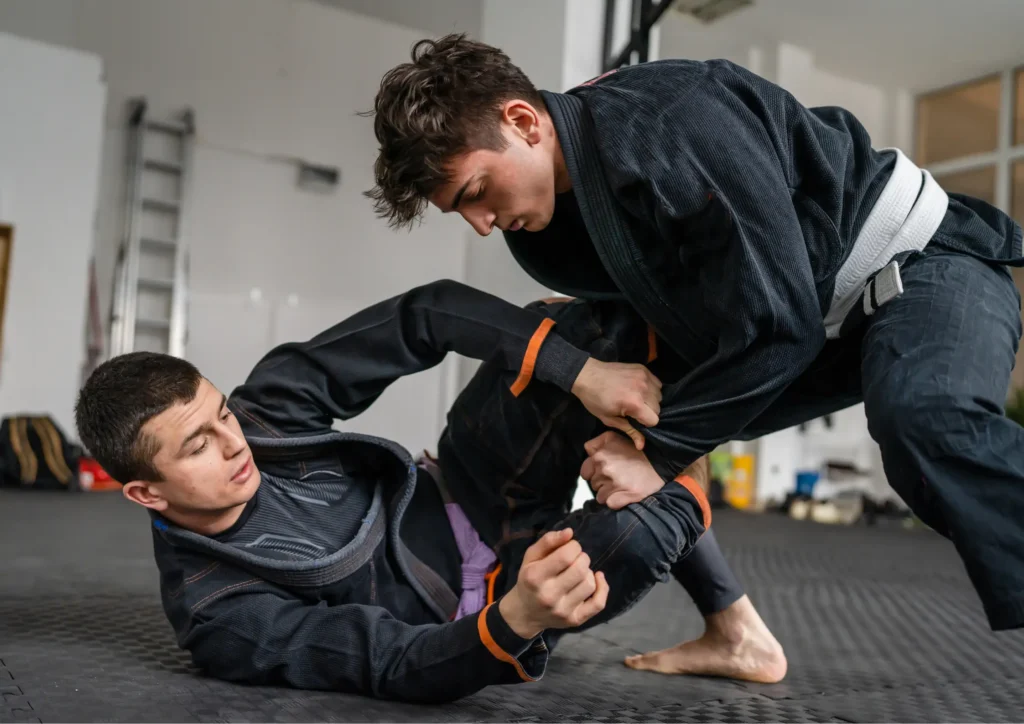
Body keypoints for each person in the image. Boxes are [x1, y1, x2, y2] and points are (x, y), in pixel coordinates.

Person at [366, 35, 1024, 636]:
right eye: (463, 211)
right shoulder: (548, 236)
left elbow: (777, 325)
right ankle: (736, 629)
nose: (481, 223)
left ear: (523, 121)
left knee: (927, 419)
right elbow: (691, 327)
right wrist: (595, 389)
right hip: (820, 319)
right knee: (593, 379)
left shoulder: (665, 122)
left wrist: (657, 452)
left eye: (479, 190)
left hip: (925, 261)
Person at [74, 280, 773, 704]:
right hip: (497, 599)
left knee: (577, 335)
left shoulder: (263, 413)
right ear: (144, 493)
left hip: (466, 482)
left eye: (221, 414)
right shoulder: (219, 613)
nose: (233, 445)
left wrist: (574, 368)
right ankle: (684, 474)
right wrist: (519, 619)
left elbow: (425, 315)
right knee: (645, 524)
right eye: (197, 447)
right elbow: (395, 662)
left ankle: (736, 628)